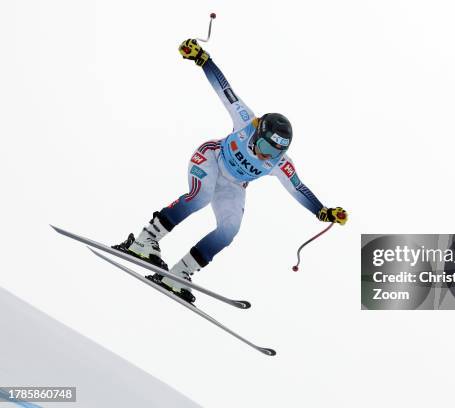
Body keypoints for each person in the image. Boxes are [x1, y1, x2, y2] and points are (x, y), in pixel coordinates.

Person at [113, 39, 348, 303]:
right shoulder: (246, 119)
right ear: (257, 132)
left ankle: (180, 273)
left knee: (229, 230)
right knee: (200, 197)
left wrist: (321, 210)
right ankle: (144, 241)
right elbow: (224, 89)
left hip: (234, 186)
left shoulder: (280, 163)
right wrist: (202, 59)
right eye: (262, 146)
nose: (264, 155)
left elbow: (298, 188)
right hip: (211, 159)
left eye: (272, 153)